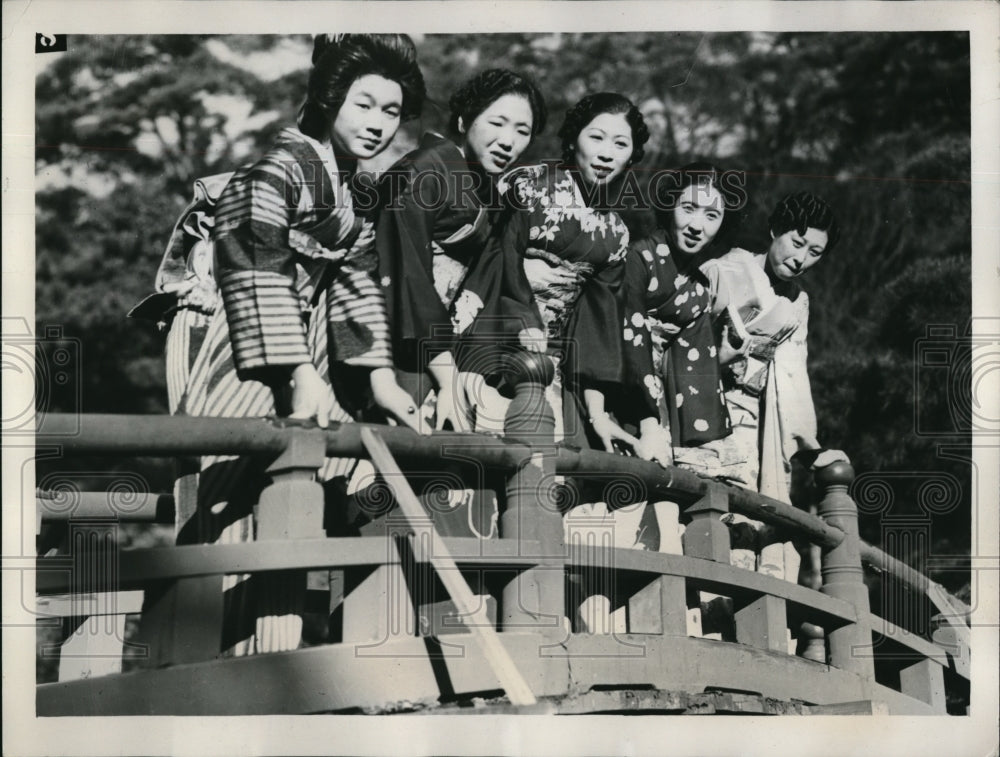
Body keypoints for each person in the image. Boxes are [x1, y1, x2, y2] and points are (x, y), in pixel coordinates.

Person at [151, 33, 428, 655]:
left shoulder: (351, 186)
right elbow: (250, 254)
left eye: (391, 111)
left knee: (290, 481)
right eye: (364, 105)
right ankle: (186, 658)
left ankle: (261, 658)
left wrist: (379, 379)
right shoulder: (281, 164)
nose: (379, 124)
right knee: (221, 493)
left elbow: (353, 283)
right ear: (329, 101)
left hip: (293, 342)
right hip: (229, 328)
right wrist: (298, 370)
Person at [373, 68, 547, 433]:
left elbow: (498, 280)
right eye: (497, 122)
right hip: (394, 331)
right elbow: (410, 276)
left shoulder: (491, 195)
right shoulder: (423, 172)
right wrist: (448, 374)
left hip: (444, 340)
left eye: (522, 131)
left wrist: (527, 327)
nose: (508, 141)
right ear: (465, 119)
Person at [702, 191, 849, 581]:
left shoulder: (798, 302)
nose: (801, 258)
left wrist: (807, 445)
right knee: (708, 509)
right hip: (700, 407)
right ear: (774, 230)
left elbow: (792, 374)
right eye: (797, 242)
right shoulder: (723, 270)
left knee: (750, 520)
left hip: (754, 421)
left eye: (816, 252)